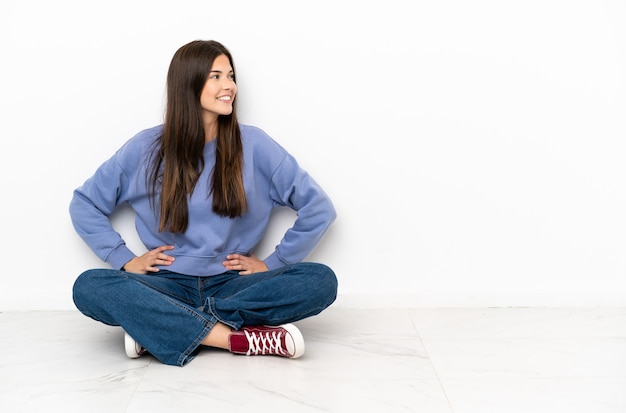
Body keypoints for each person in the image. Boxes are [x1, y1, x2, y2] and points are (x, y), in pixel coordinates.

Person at [69, 40, 338, 367]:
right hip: (164, 284)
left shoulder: (255, 145)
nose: (229, 86)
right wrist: (124, 260)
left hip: (232, 286)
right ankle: (232, 339)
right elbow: (84, 203)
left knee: (319, 281)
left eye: (230, 75)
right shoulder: (145, 148)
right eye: (216, 76)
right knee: (89, 287)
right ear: (188, 84)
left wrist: (274, 263)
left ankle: (159, 326)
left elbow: (318, 209)